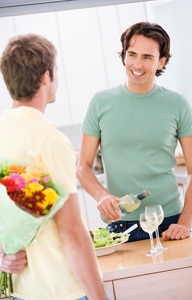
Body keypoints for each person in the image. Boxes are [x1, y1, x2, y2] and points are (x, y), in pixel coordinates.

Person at [0, 34, 110, 300]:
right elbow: (71, 232)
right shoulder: (49, 140)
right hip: (64, 290)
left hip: (24, 290)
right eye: (56, 71)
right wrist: (99, 296)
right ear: (45, 77)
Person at [77, 22, 192, 242]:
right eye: (132, 54)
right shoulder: (100, 102)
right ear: (123, 56)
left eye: (147, 57)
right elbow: (82, 166)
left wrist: (185, 222)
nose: (137, 64)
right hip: (118, 224)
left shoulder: (177, 103)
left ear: (161, 61)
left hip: (169, 221)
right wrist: (102, 196)